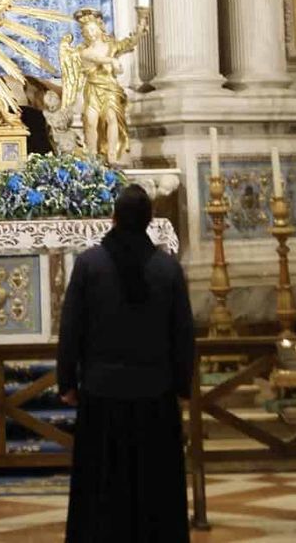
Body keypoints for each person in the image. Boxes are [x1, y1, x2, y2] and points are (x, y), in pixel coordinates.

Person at [57, 183, 194, 543]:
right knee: (154, 484)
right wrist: (183, 385)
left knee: (103, 483)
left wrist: (67, 381)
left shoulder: (90, 264)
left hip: (102, 392)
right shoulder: (167, 269)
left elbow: (71, 327)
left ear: (114, 218)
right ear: (149, 221)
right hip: (155, 392)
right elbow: (182, 333)